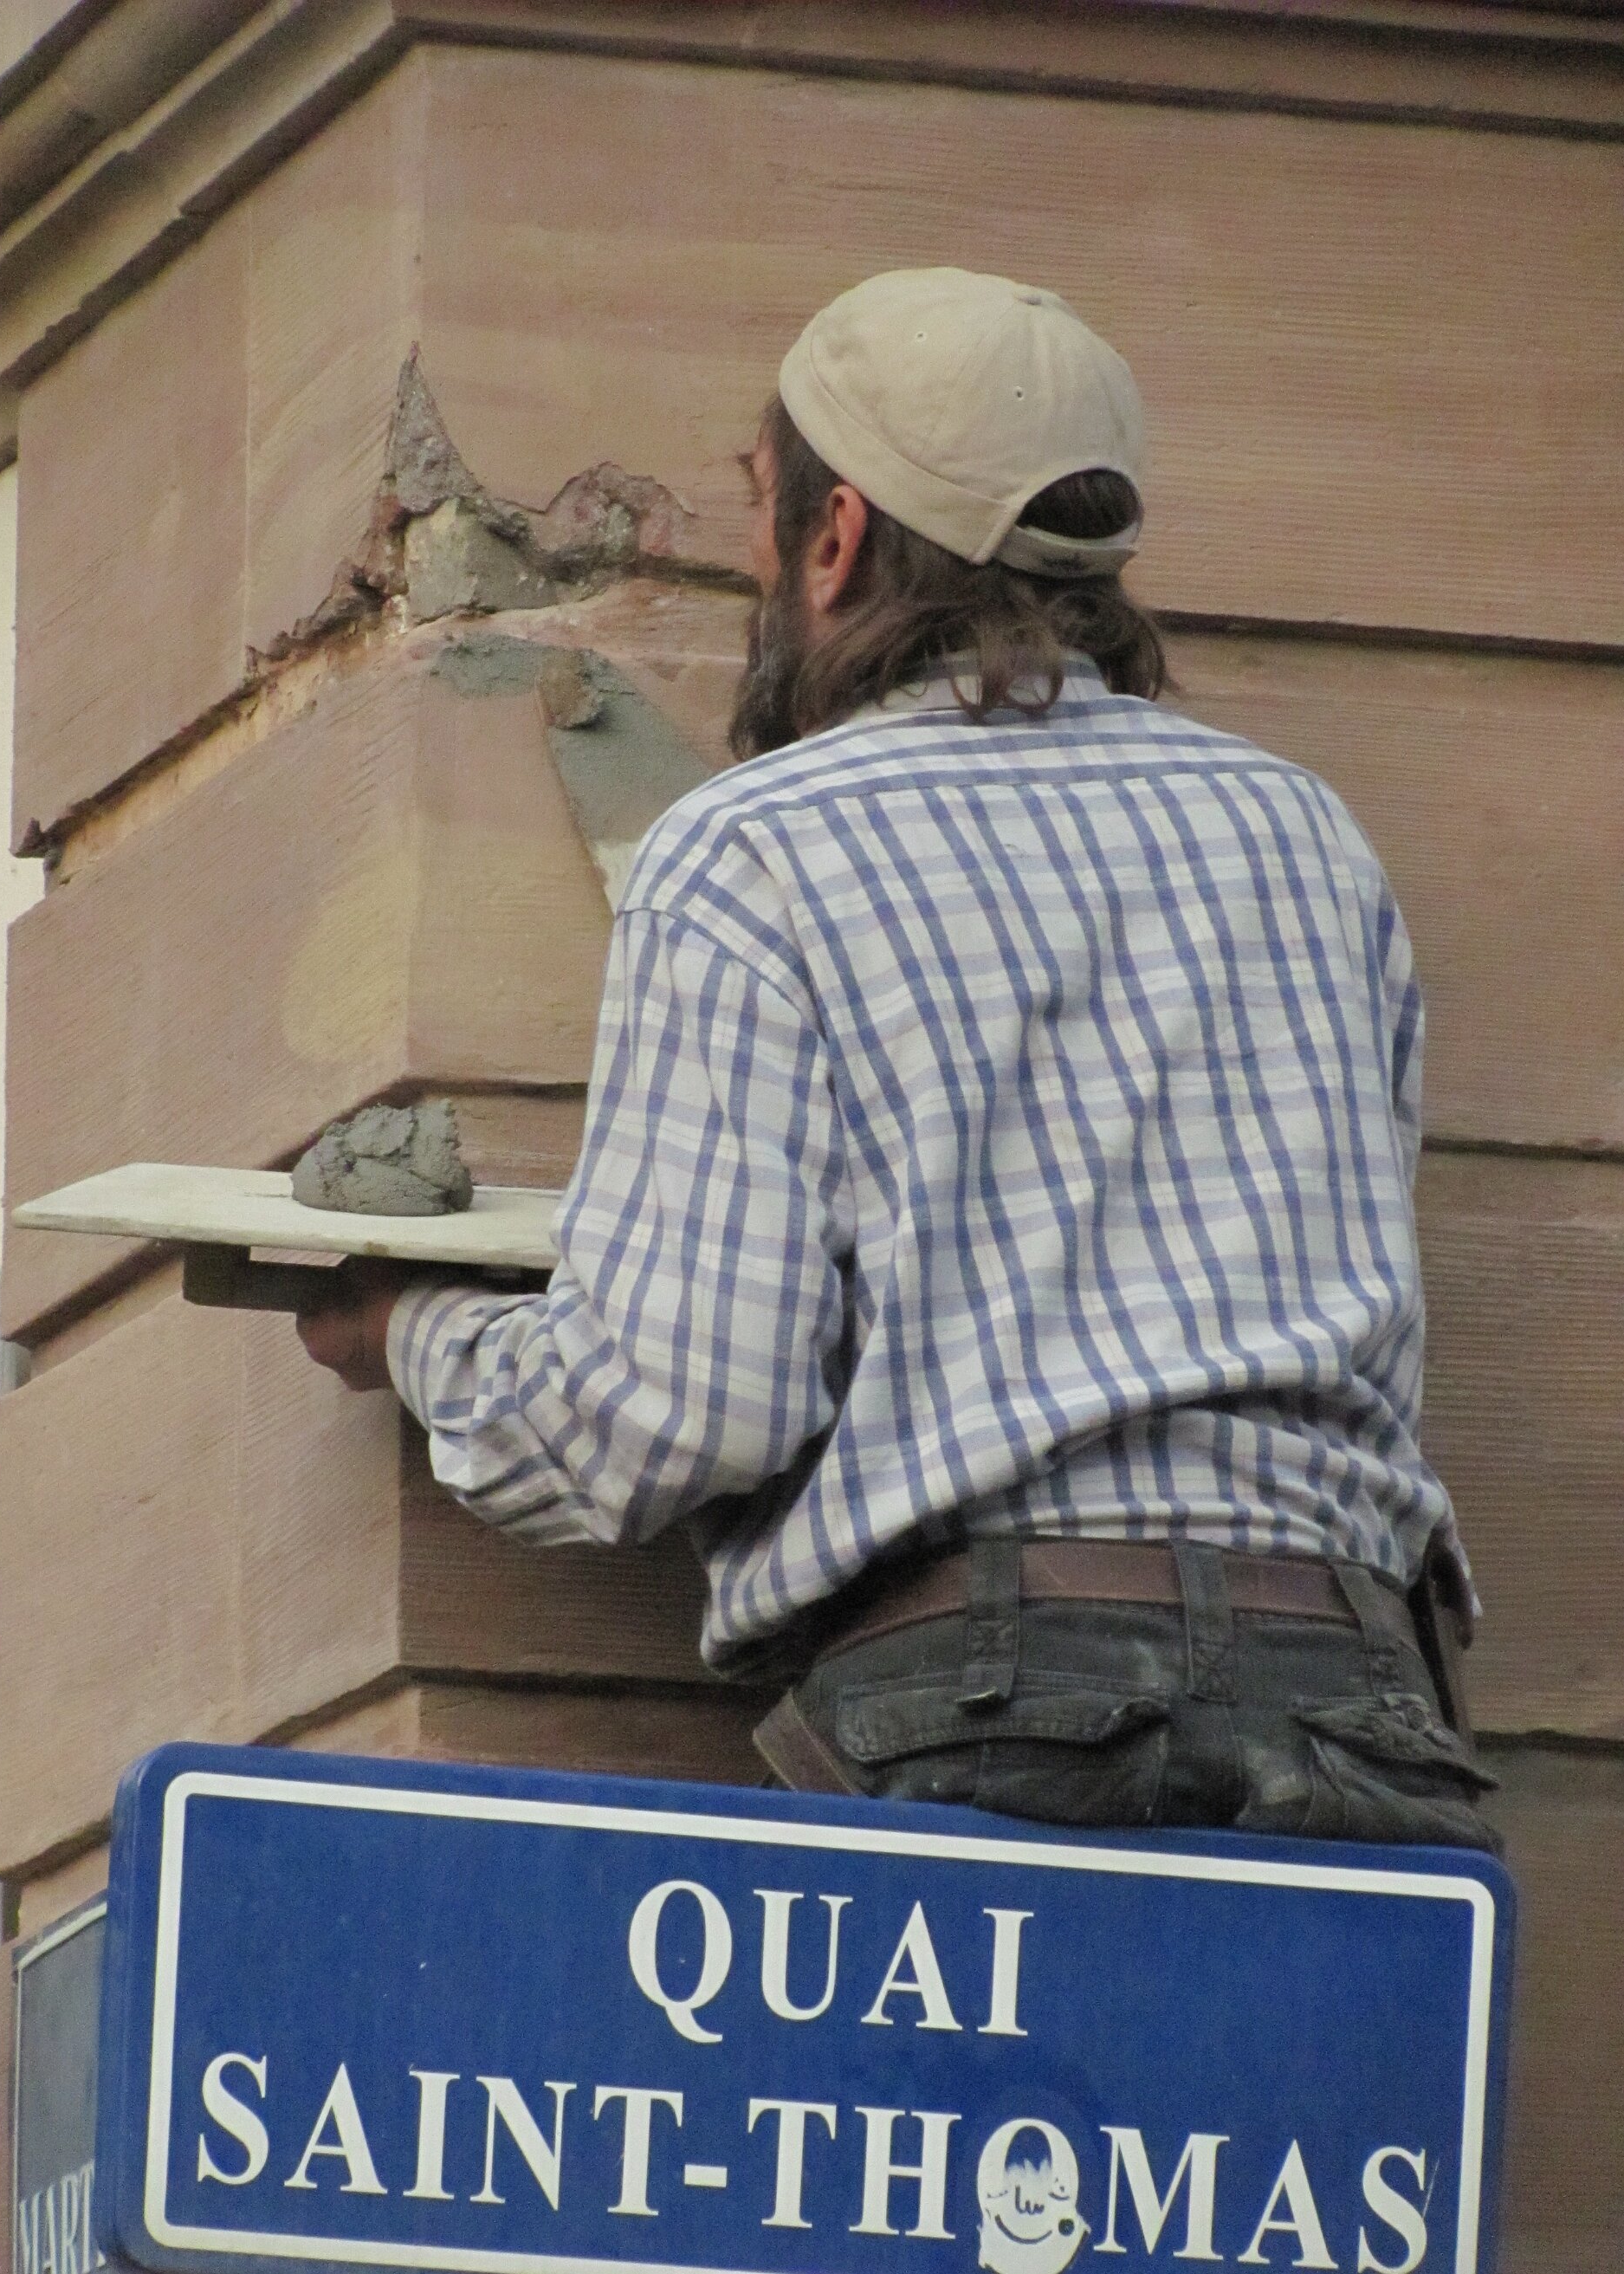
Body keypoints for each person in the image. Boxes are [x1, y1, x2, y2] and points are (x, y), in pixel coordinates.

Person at [298, 268, 1497, 1851]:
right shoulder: (1303, 837)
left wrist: (413, 1333)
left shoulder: (752, 849)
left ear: (836, 536)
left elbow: (680, 1407)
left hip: (991, 1701)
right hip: (1354, 1699)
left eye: (759, 510)